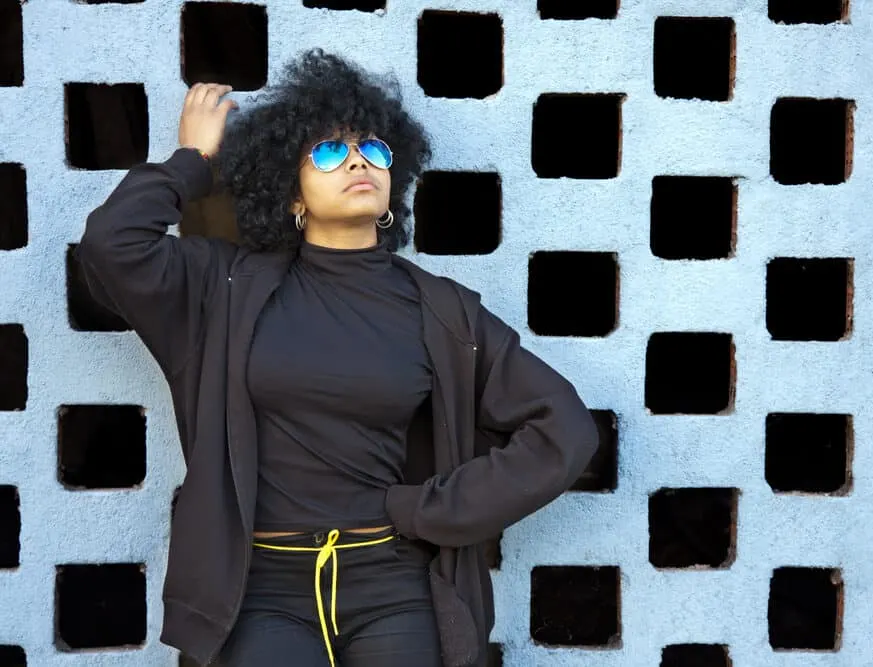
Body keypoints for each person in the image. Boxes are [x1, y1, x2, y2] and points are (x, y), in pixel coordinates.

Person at [76, 49, 598, 667]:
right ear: (291, 194)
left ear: (389, 192)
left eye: (374, 150)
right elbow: (113, 247)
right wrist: (194, 162)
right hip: (257, 589)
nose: (357, 159)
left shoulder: (442, 310)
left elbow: (564, 429)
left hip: (393, 586)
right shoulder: (225, 289)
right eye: (328, 151)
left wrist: (429, 509)